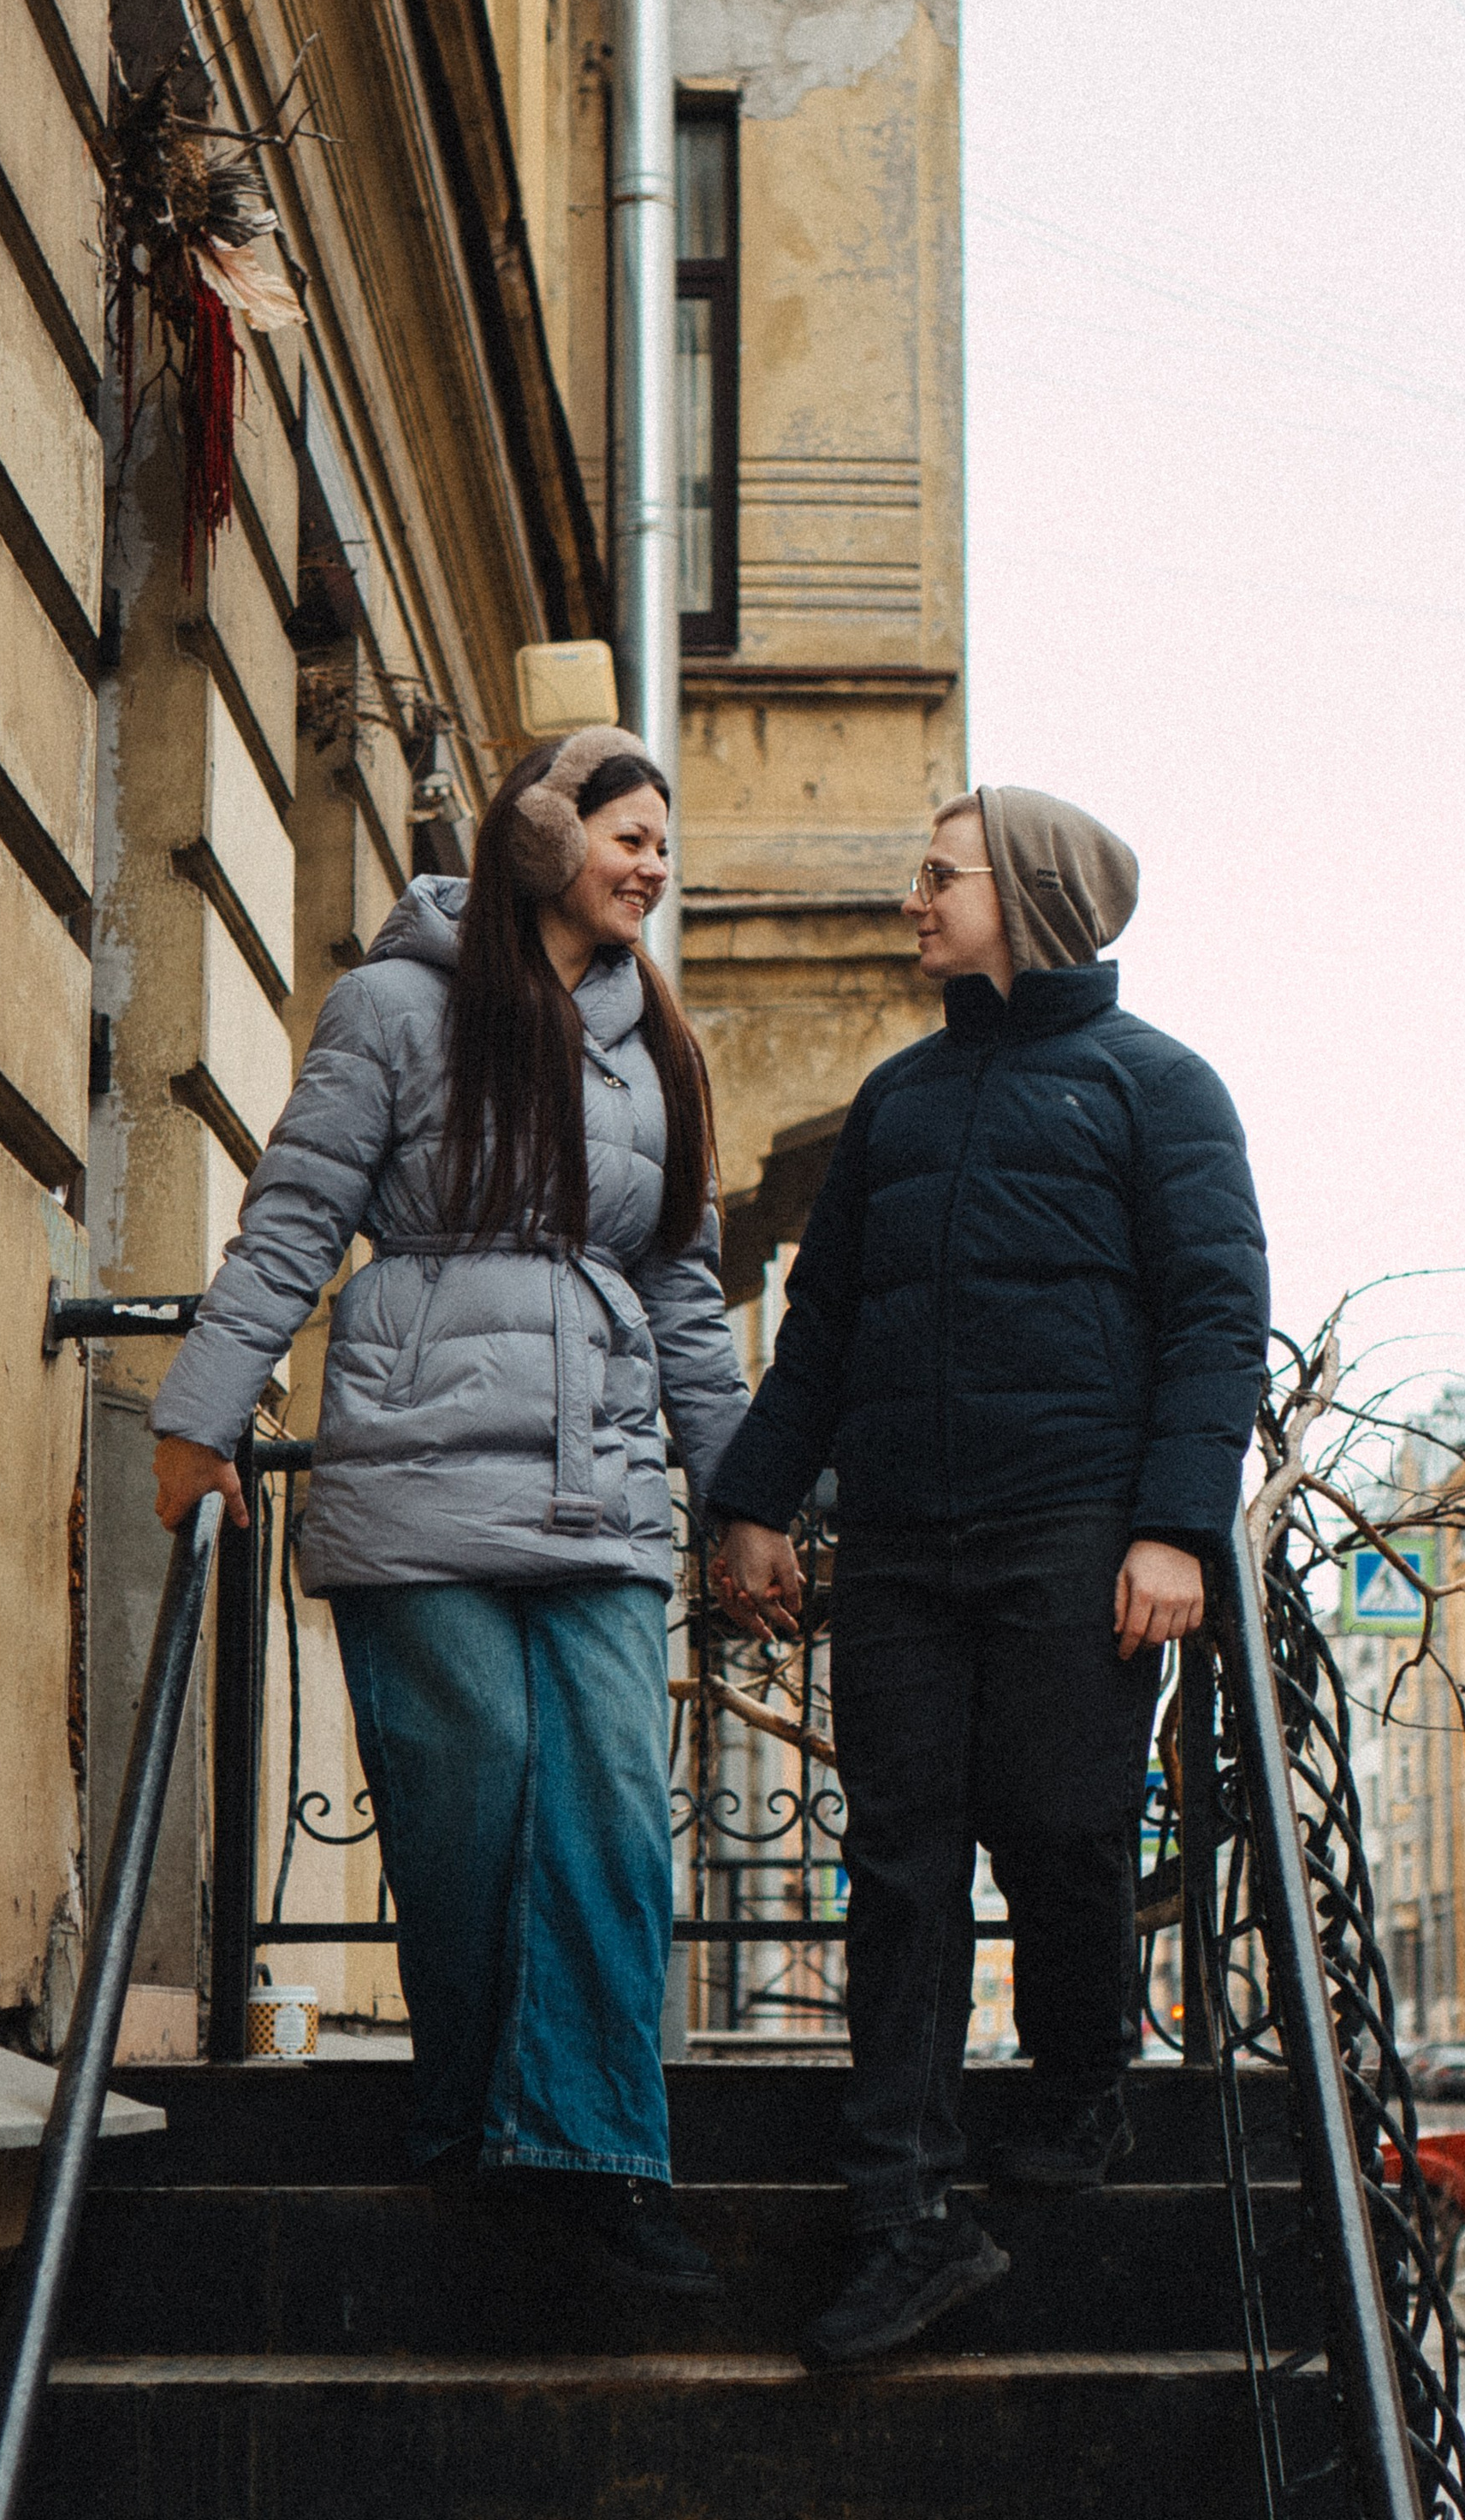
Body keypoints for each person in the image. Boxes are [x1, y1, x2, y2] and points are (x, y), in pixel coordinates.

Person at [151, 726, 776, 2293]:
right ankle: (482, 2133)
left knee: (616, 1817)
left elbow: (686, 1299)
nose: (653, 862)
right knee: (474, 1797)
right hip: (421, 1477)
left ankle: (590, 2167)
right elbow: (296, 1216)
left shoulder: (659, 1048)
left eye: (662, 840)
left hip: (603, 1489)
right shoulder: (395, 1008)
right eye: (628, 832)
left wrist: (745, 1500)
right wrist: (200, 1415)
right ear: (540, 837)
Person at [709, 785, 1269, 2367]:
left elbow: (1217, 1317)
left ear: (1022, 896)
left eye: (938, 874)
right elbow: (823, 1331)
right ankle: (906, 2211)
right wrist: (756, 1501)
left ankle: (1084, 2087)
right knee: (894, 1870)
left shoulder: (1160, 1090)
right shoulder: (897, 1103)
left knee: (1064, 1833)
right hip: (897, 1545)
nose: (913, 897)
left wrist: (1174, 1528)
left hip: (1073, 1538)